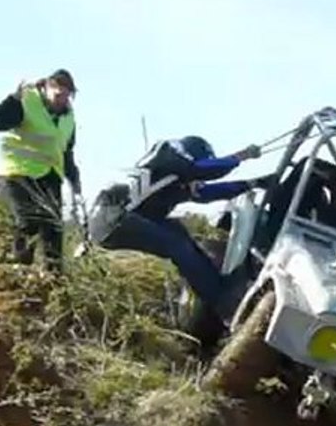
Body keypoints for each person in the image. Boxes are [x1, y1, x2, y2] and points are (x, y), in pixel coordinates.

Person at [87, 135, 273, 325]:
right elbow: (203, 170)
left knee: (178, 232)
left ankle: (217, 288)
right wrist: (241, 156)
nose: (197, 183)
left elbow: (207, 192)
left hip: (121, 220)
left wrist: (252, 184)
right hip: (110, 218)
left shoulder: (175, 179)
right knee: (175, 244)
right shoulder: (169, 151)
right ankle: (222, 302)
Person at [0, 69, 81, 272]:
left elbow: (66, 152)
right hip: (18, 172)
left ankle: (55, 278)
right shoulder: (26, 102)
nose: (61, 100)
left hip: (50, 175)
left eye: (66, 96)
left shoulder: (68, 118)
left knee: (53, 229)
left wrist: (75, 181)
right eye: (58, 95)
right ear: (45, 88)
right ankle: (20, 269)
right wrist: (12, 100)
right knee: (28, 221)